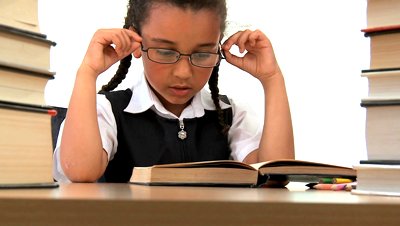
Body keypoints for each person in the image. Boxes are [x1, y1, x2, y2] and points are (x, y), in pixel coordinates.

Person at [53, 0, 295, 183]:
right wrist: (87, 72)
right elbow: (79, 171)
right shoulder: (107, 111)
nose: (183, 73)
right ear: (136, 42)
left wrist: (272, 79)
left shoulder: (231, 115)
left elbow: (275, 175)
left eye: (202, 54)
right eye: (166, 52)